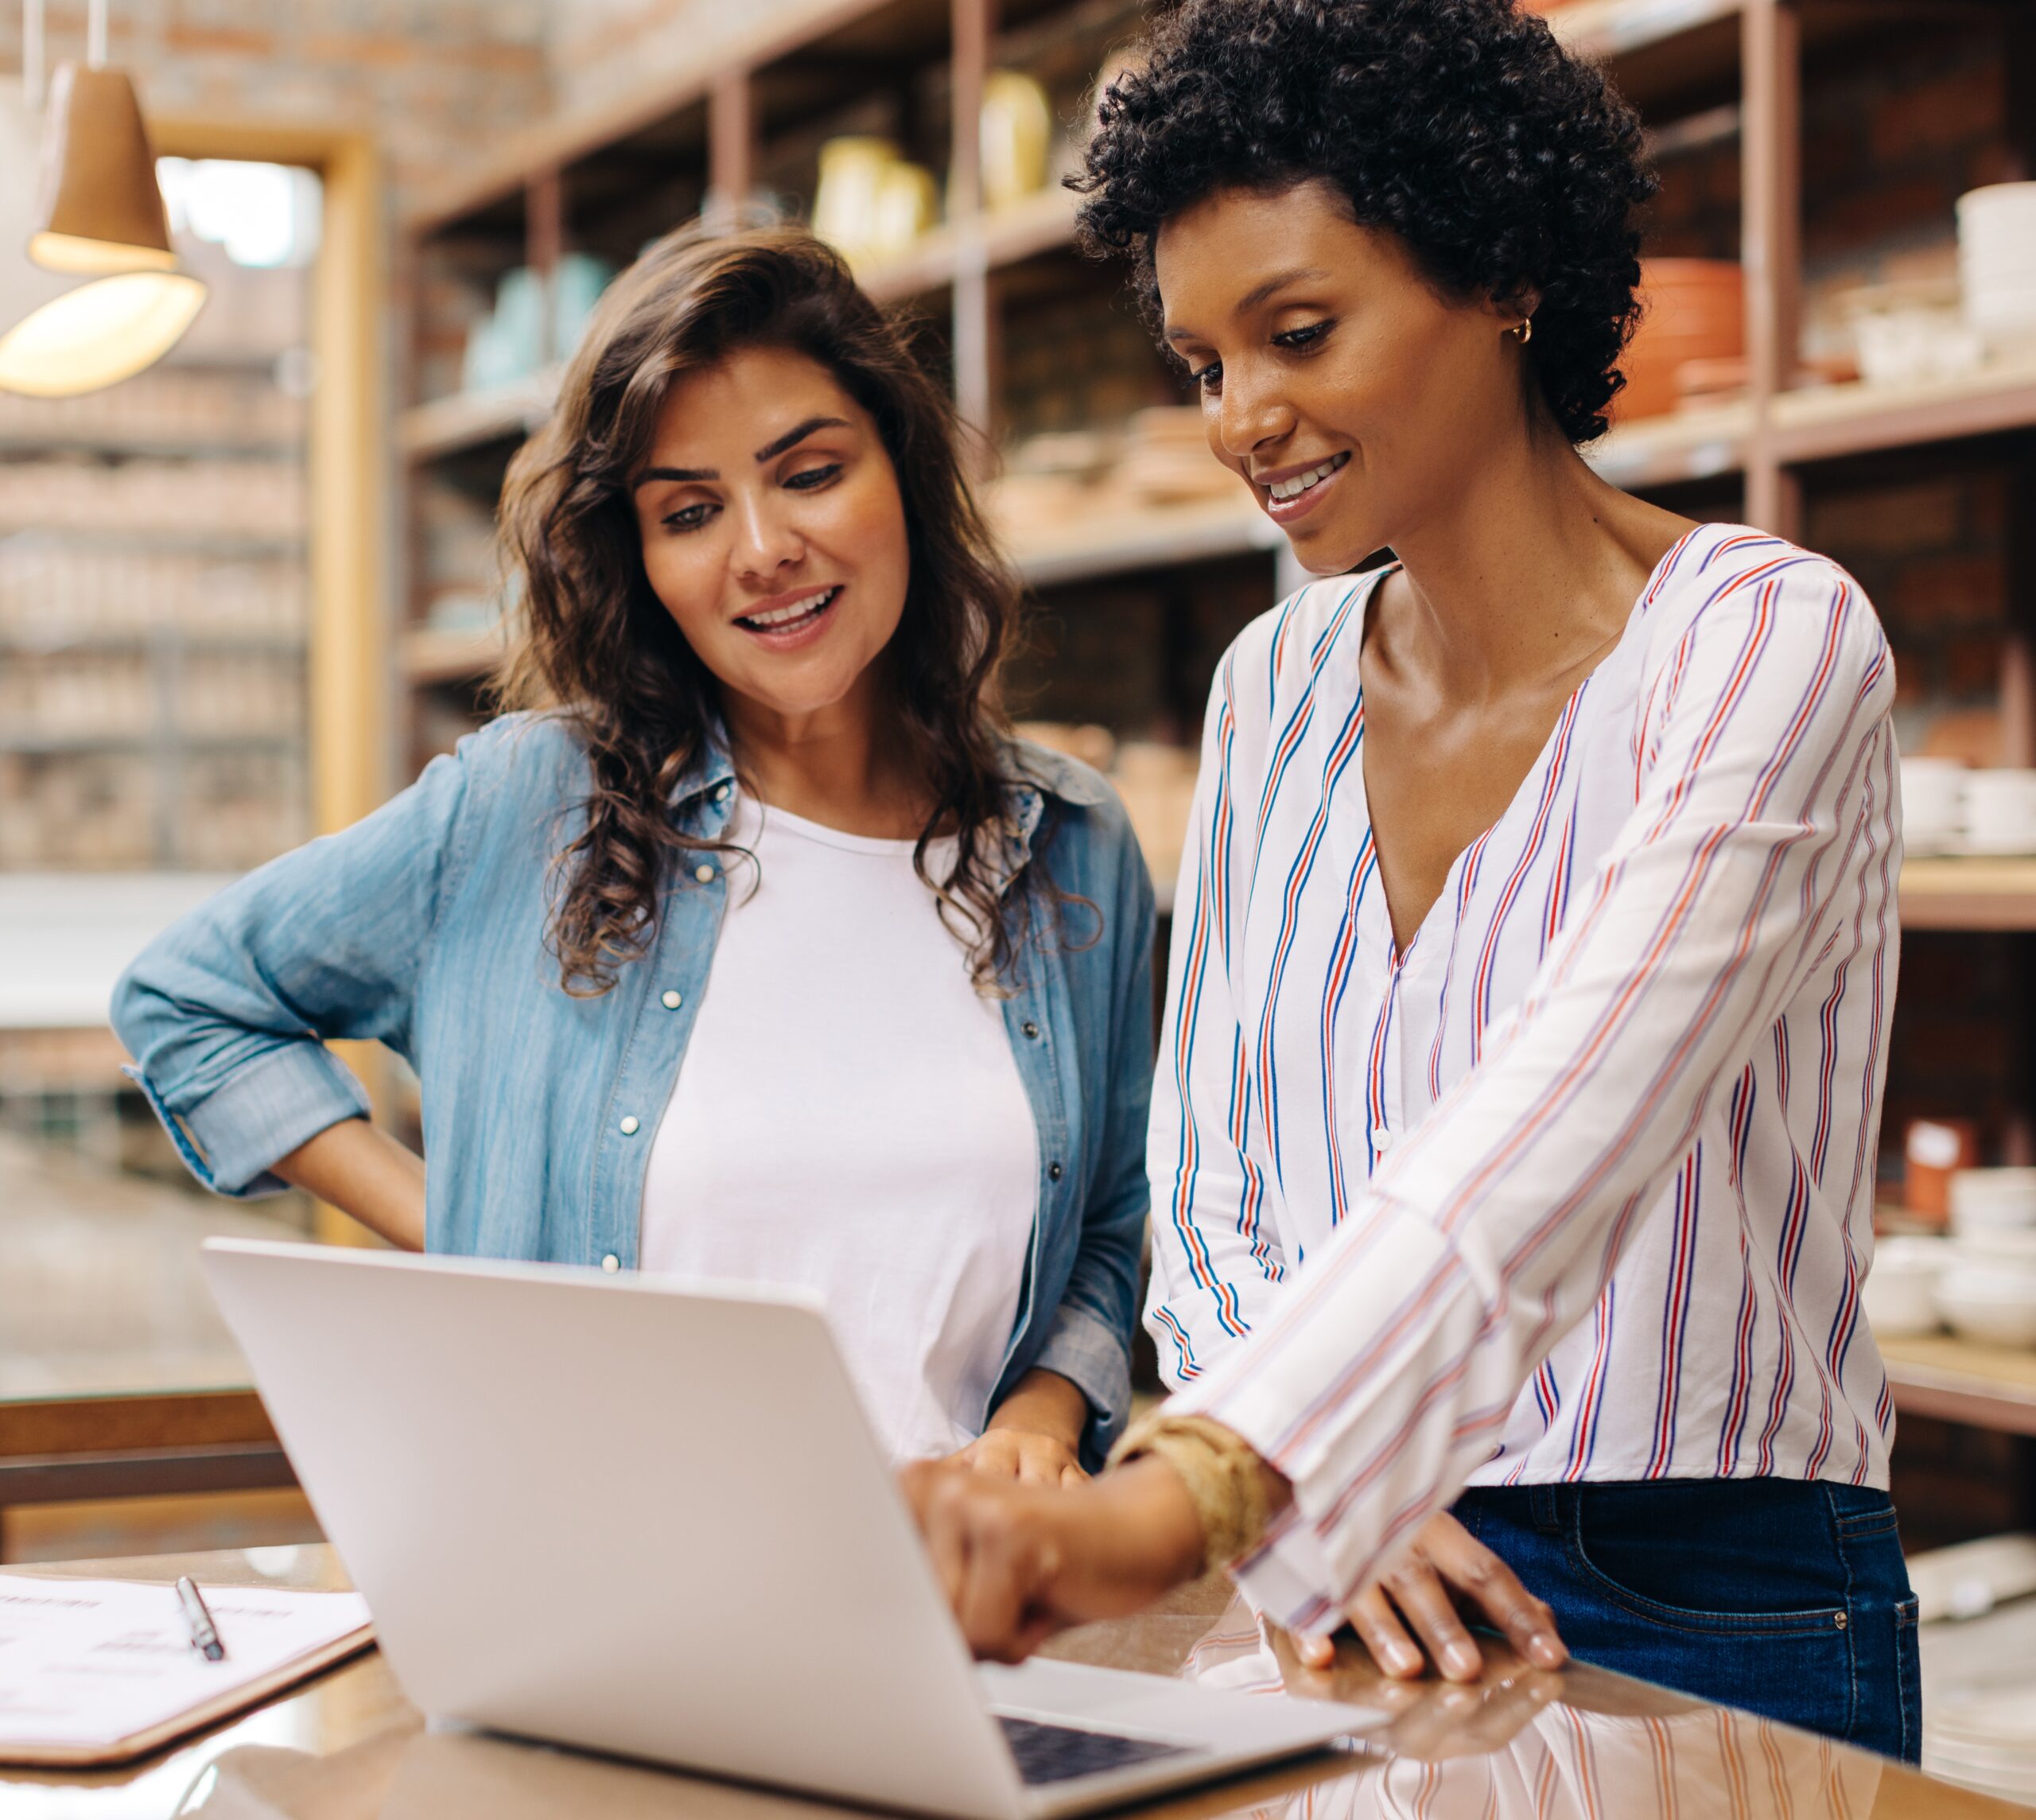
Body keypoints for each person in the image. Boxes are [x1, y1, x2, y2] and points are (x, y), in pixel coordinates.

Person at [904, 0, 1918, 1764]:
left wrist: (1206, 1485)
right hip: (1318, 1584)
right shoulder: (1269, 685)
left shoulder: (1763, 641)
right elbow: (1209, 1174)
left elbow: (1571, 1116)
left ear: (1500, 271)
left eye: (1296, 332)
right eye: (1203, 363)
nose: (1240, 418)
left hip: (1703, 1586)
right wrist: (1311, 1496)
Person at [113, 224, 1155, 1480]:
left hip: (971, 1621)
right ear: (641, 561)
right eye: (692, 511)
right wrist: (459, 1242)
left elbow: (1106, 1218)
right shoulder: (531, 808)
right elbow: (187, 1001)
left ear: (903, 475)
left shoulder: (1070, 843)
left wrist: (1043, 1415)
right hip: (603, 1597)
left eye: (811, 473)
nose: (763, 548)